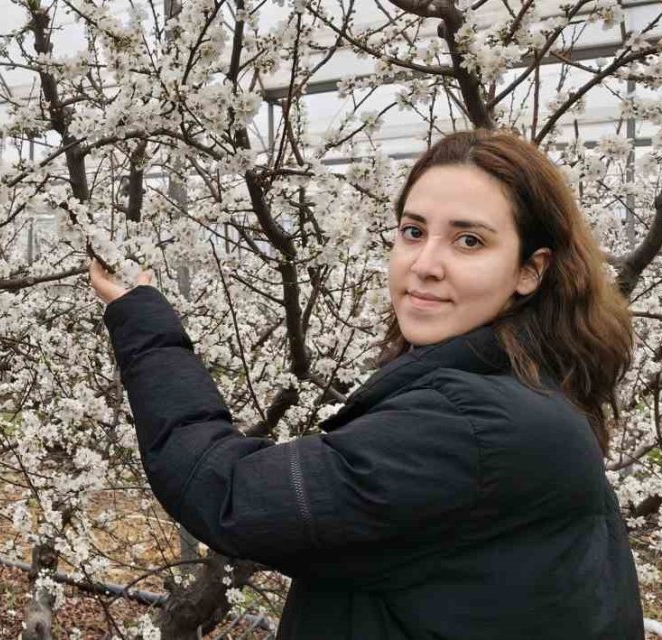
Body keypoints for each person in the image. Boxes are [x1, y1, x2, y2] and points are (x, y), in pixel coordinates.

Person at [90, 129, 644, 639]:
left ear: (531, 269)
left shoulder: (477, 428)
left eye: (469, 241)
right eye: (413, 231)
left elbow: (228, 493)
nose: (425, 264)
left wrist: (145, 327)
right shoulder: (529, 390)